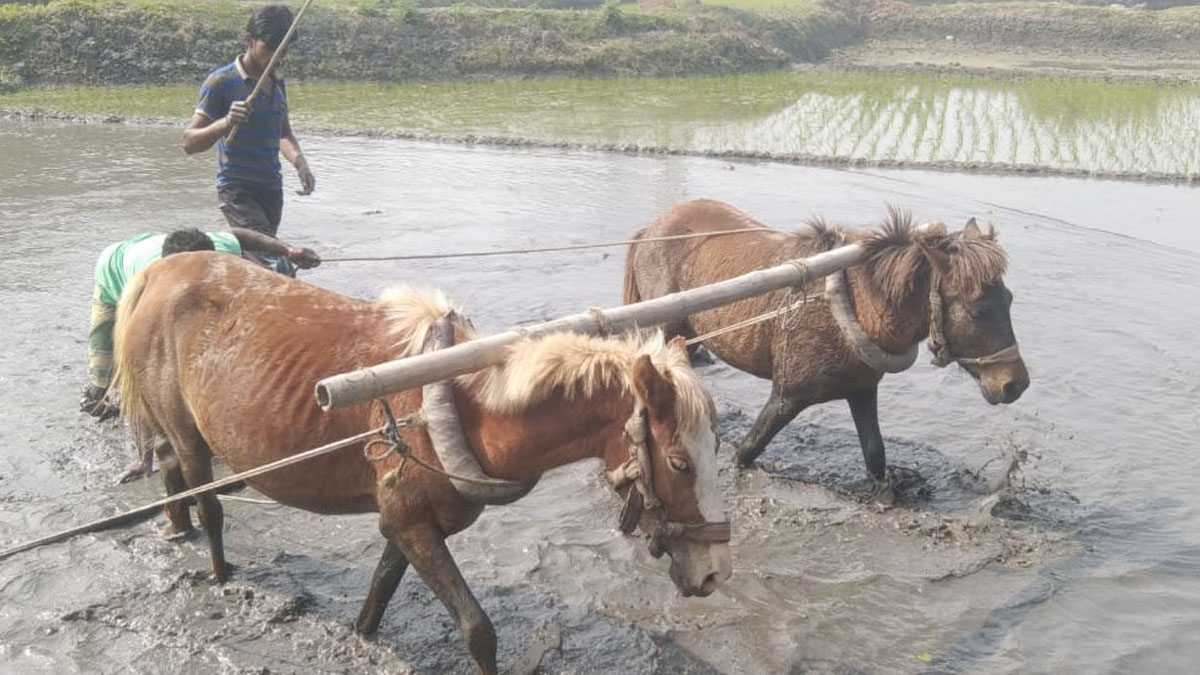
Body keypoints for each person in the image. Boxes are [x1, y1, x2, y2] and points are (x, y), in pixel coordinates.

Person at [80, 227, 320, 423]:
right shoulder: (150, 282)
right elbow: (144, 357)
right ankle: (98, 396)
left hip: (153, 247)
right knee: (110, 357)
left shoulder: (217, 250)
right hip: (112, 270)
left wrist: (289, 251)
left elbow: (238, 235)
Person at [182, 4, 314, 276]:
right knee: (276, 265)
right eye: (271, 48)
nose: (279, 57)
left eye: (284, 49)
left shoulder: (277, 80)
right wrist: (226, 121)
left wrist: (300, 164)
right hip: (238, 190)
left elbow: (283, 134)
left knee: (254, 263)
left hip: (271, 189)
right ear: (249, 40)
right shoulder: (221, 82)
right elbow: (189, 143)